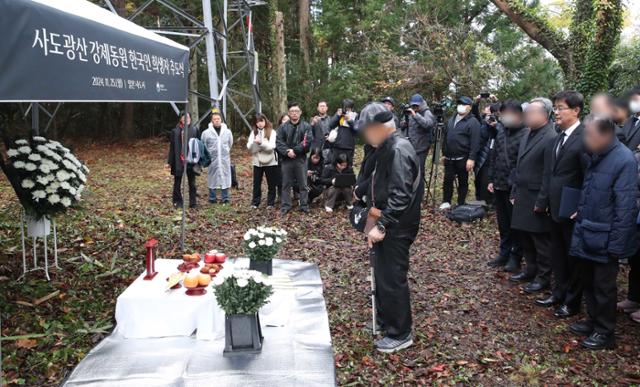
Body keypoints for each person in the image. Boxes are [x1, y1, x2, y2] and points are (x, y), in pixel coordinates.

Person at [568, 114, 638, 350]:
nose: (585, 140)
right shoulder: (596, 155)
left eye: (590, 135)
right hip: (588, 229)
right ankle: (592, 320)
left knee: (604, 287)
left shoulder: (624, 160)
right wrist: (582, 211)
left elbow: (625, 206)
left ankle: (605, 332)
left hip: (606, 237)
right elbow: (592, 192)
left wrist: (616, 245)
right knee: (588, 281)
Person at [357, 109, 422, 353]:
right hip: (384, 220)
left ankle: (400, 332)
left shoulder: (398, 149)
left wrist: (383, 225)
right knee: (382, 275)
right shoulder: (385, 147)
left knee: (393, 277)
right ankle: (384, 320)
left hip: (397, 226)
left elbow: (401, 194)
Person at [534, 91, 586, 318]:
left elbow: (588, 176)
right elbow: (549, 174)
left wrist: (581, 207)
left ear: (576, 110)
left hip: (573, 210)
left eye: (561, 108)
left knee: (572, 257)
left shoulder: (585, 137)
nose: (556, 112)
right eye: (555, 107)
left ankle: (572, 302)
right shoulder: (557, 137)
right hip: (554, 207)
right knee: (557, 253)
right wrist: (543, 201)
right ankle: (558, 292)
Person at [510, 98, 557, 294]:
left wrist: (542, 201)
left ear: (544, 115)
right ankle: (530, 269)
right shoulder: (528, 133)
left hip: (536, 195)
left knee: (540, 241)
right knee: (525, 237)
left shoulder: (550, 137)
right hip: (522, 193)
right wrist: (514, 190)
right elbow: (519, 165)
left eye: (531, 112)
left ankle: (543, 277)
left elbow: (549, 173)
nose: (527, 115)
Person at [486, 100, 527, 272]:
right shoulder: (501, 132)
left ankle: (515, 257)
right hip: (499, 184)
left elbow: (525, 164)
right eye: (502, 114)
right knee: (503, 223)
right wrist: (491, 179)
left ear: (518, 115)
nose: (504, 118)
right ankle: (503, 253)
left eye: (507, 114)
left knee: (515, 224)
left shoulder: (526, 134)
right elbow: (494, 156)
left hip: (515, 188)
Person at [440, 96, 481, 210]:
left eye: (464, 104)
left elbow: (475, 142)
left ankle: (461, 202)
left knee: (463, 181)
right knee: (447, 180)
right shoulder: (451, 119)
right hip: (449, 157)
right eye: (459, 104)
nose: (461, 106)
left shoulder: (473, 122)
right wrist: (444, 153)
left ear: (470, 107)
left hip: (463, 158)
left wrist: (471, 158)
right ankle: (446, 201)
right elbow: (446, 137)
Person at [276, 102, 313, 215]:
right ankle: (286, 205)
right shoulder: (283, 127)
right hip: (287, 160)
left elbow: (307, 141)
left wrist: (295, 151)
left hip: (300, 159)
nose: (294, 113)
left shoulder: (306, 126)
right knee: (286, 184)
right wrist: (287, 152)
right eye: (292, 111)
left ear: (300, 112)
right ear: (289, 113)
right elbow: (279, 142)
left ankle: (304, 205)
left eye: (296, 111)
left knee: (303, 183)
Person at [167, 112, 198, 208]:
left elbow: (198, 146)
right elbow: (172, 148)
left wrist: (199, 160)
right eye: (184, 118)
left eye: (188, 117)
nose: (186, 119)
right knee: (177, 182)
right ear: (180, 119)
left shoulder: (195, 130)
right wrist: (169, 161)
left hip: (191, 160)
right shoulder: (175, 131)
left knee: (192, 183)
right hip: (178, 160)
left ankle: (193, 203)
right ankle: (177, 201)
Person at [201, 110, 233, 204]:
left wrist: (224, 151)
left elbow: (230, 143)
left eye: (218, 119)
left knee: (225, 176)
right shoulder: (206, 133)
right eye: (214, 119)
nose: (217, 120)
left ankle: (225, 198)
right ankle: (212, 198)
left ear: (221, 120)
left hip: (224, 158)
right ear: (212, 121)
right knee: (212, 177)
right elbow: (203, 144)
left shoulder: (227, 132)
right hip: (212, 159)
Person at [400, 93, 436, 177]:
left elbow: (428, 124)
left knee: (418, 172)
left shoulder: (426, 112)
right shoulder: (409, 111)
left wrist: (416, 115)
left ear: (421, 104)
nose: (415, 107)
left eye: (417, 105)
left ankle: (419, 190)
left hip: (421, 149)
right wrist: (404, 123)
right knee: (408, 171)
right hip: (409, 147)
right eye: (413, 105)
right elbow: (401, 125)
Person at [247, 114, 278, 209]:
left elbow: (272, 147)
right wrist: (254, 143)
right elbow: (249, 146)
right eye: (257, 122)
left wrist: (261, 143)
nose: (259, 124)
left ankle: (270, 203)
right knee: (256, 183)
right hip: (257, 162)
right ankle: (255, 202)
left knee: (271, 183)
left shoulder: (272, 132)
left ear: (265, 121)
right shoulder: (253, 133)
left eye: (261, 121)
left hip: (270, 161)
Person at [473, 102, 500, 205]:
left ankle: (490, 203)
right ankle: (480, 202)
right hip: (484, 156)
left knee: (488, 181)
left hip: (494, 156)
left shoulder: (502, 123)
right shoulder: (484, 122)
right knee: (480, 180)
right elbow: (482, 135)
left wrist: (497, 125)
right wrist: (487, 123)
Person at [327, 99, 358, 166]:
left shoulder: (355, 116)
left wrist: (349, 120)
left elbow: (357, 129)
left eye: (348, 108)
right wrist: (337, 115)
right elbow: (331, 125)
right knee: (334, 165)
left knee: (347, 167)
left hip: (349, 146)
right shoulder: (340, 114)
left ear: (352, 108)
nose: (347, 110)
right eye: (345, 108)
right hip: (337, 145)